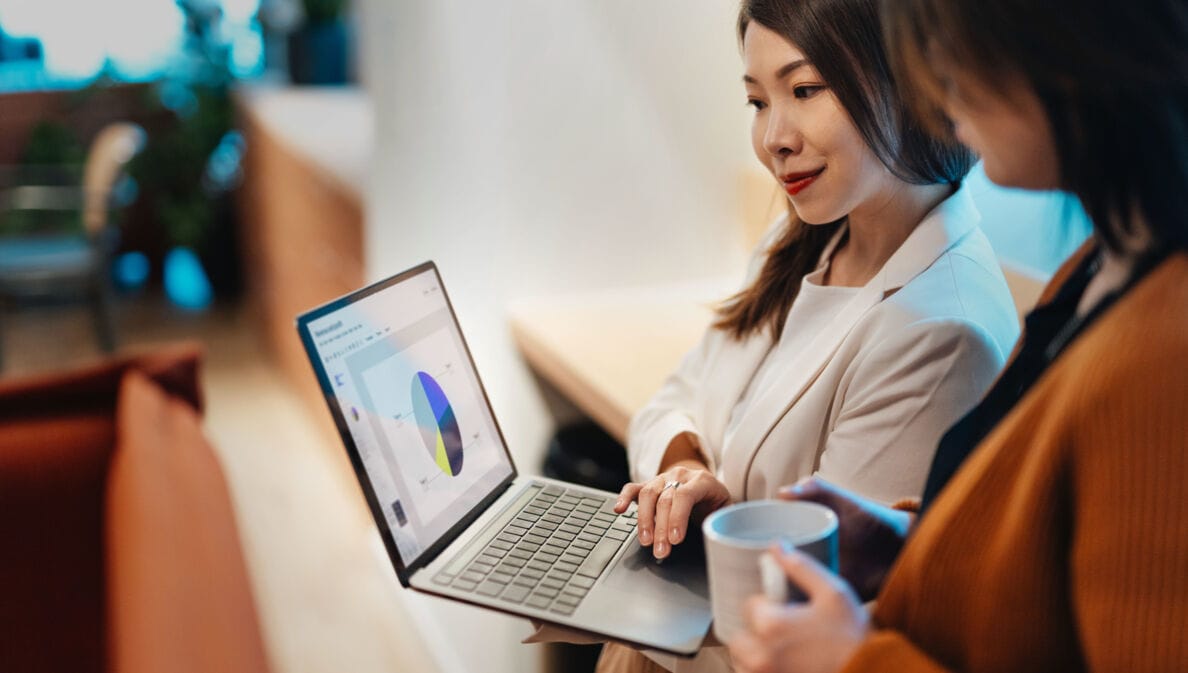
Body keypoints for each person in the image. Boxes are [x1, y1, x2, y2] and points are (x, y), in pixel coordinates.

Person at [728, 0, 1188, 671]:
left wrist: (852, 661)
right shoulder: (1099, 266)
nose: (928, 78)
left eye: (947, 42)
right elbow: (1054, 568)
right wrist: (914, 546)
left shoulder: (1164, 352)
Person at [590, 0, 1019, 670]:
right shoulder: (804, 237)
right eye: (758, 101)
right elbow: (674, 396)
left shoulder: (942, 333)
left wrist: (702, 513)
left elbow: (807, 609)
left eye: (806, 90)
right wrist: (688, 470)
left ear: (903, 78)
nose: (773, 138)